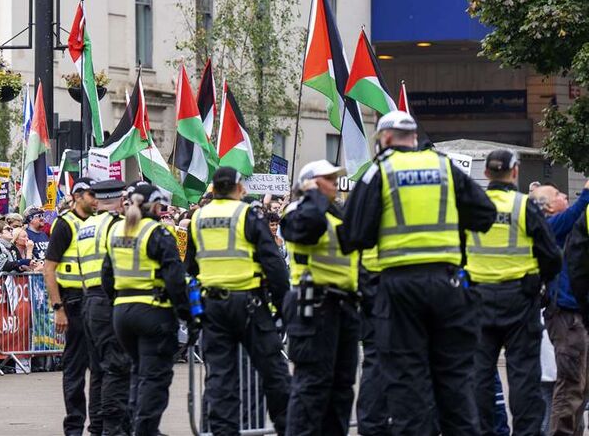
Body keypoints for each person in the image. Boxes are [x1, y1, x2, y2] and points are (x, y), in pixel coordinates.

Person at [339, 110, 496, 435]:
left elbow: (353, 234)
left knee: (408, 380)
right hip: (448, 284)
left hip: (400, 288)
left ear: (383, 139)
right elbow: (484, 213)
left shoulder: (380, 172)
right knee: (454, 379)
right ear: (414, 136)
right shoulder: (445, 167)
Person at [186, 166, 291, 436]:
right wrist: (283, 308)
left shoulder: (198, 218)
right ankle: (289, 427)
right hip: (249, 306)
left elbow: (191, 269)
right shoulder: (246, 214)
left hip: (213, 307)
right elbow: (274, 265)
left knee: (221, 378)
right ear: (238, 188)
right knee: (274, 371)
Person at [463, 148, 560, 436]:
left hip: (478, 300)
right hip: (519, 300)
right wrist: (540, 282)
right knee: (523, 379)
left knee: (479, 376)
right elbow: (552, 256)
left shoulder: (471, 208)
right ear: (515, 172)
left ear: (485, 174)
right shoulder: (523, 206)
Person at [280, 159, 359, 436]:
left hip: (342, 306)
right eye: (327, 177)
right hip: (313, 306)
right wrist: (312, 195)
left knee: (341, 386)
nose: (335, 182)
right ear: (310, 183)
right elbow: (307, 229)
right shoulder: (298, 211)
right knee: (312, 385)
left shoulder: (336, 215)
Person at [102, 182, 187, 436]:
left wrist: (117, 300)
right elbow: (175, 279)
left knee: (137, 372)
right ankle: (145, 429)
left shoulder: (116, 230)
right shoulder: (157, 233)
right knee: (155, 377)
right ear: (154, 205)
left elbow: (107, 275)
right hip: (153, 311)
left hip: (122, 312)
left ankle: (133, 426)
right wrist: (187, 315)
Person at [42, 177, 103, 436]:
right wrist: (58, 308)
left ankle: (99, 425)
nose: (96, 199)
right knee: (76, 368)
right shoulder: (65, 225)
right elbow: (49, 268)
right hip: (74, 301)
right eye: (91, 194)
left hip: (97, 301)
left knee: (101, 367)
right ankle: (75, 426)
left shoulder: (100, 223)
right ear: (78, 196)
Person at [533, 179, 589, 436]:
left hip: (574, 315)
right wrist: (587, 192)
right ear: (547, 207)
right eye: (557, 194)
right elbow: (577, 212)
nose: (564, 195)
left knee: (579, 387)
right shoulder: (548, 226)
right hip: (565, 316)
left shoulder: (564, 229)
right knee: (569, 387)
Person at [81, 179, 134, 436]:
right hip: (109, 299)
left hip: (89, 300)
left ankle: (98, 427)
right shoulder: (116, 226)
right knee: (117, 367)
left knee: (99, 371)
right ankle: (114, 428)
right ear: (121, 198)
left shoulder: (87, 225)